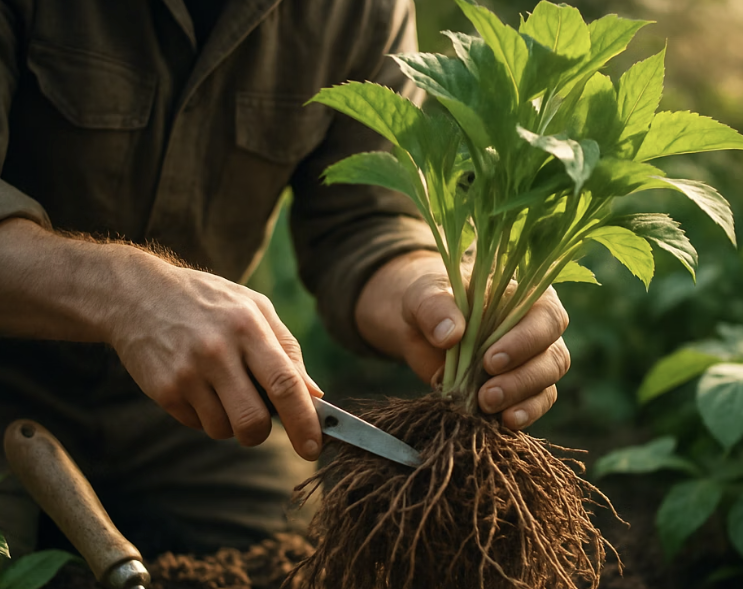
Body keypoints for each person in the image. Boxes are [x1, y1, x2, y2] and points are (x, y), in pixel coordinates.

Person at [0, 0, 570, 558]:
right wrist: (125, 294)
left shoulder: (360, 10)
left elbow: (362, 223)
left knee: (303, 549)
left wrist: (427, 289)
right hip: (12, 380)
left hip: (197, 411)